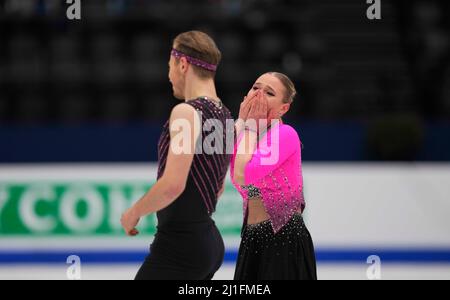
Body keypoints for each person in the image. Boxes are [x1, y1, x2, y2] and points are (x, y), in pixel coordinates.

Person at [121, 31, 233, 280]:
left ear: (182, 64)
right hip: (208, 242)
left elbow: (173, 185)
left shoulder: (185, 112)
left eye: (169, 66)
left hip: (180, 246)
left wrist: (134, 212)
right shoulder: (225, 116)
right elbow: (218, 188)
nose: (169, 75)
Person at [231, 72, 317, 280]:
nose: (258, 95)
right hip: (252, 240)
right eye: (255, 88)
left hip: (283, 240)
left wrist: (249, 126)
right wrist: (242, 121)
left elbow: (244, 175)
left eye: (269, 93)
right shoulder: (247, 138)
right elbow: (216, 162)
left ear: (283, 108)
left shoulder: (285, 134)